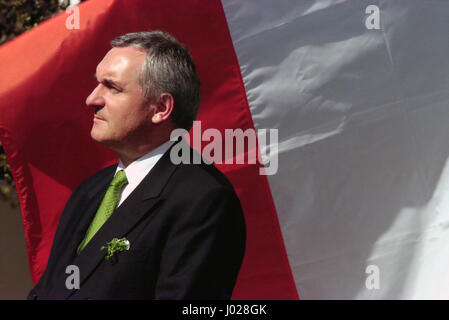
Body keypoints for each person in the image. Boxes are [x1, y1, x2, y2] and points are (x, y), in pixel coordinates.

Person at [27, 30, 246, 300]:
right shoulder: (90, 191)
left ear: (161, 108)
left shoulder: (203, 200)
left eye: (112, 87)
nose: (92, 99)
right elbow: (49, 290)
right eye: (97, 84)